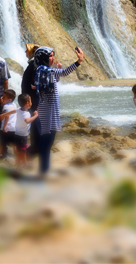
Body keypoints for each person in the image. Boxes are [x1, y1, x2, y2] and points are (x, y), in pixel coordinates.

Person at [34, 46, 84, 177]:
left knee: (48, 141)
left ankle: (45, 168)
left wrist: (58, 70)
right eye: (50, 55)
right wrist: (78, 61)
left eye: (53, 55)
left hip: (50, 109)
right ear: (43, 58)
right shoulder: (43, 69)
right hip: (46, 110)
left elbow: (56, 79)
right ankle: (43, 170)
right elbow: (64, 73)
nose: (53, 58)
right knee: (46, 140)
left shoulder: (45, 70)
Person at [0, 90, 35, 169]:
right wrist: (36, 116)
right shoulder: (26, 113)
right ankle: (24, 165)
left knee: (19, 151)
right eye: (30, 101)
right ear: (27, 103)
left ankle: (18, 165)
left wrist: (3, 115)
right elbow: (27, 120)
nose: (31, 102)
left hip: (17, 135)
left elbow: (12, 112)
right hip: (22, 136)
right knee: (22, 152)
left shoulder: (19, 109)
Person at [20, 43, 41, 155]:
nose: (25, 52)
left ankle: (36, 147)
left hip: (32, 100)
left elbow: (34, 85)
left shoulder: (34, 65)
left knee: (35, 123)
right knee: (35, 123)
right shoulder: (33, 64)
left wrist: (34, 103)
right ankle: (36, 146)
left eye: (27, 49)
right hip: (31, 100)